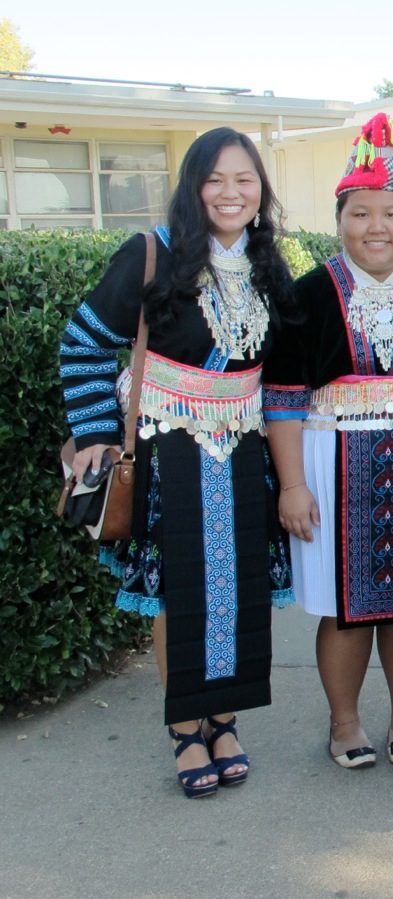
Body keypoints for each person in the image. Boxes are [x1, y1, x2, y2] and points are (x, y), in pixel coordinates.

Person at [60, 128, 295, 798]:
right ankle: (186, 728)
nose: (230, 192)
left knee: (243, 592)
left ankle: (226, 721)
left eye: (244, 179)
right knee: (181, 596)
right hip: (170, 454)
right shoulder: (151, 255)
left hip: (244, 452)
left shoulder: (268, 265)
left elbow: (277, 371)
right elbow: (82, 344)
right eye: (215, 179)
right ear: (193, 186)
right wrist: (97, 435)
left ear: (260, 191)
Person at [264, 114, 393, 769]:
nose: (378, 227)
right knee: (344, 609)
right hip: (329, 461)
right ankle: (344, 722)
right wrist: (292, 484)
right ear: (339, 218)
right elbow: (283, 399)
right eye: (362, 212)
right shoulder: (308, 294)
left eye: (392, 212)